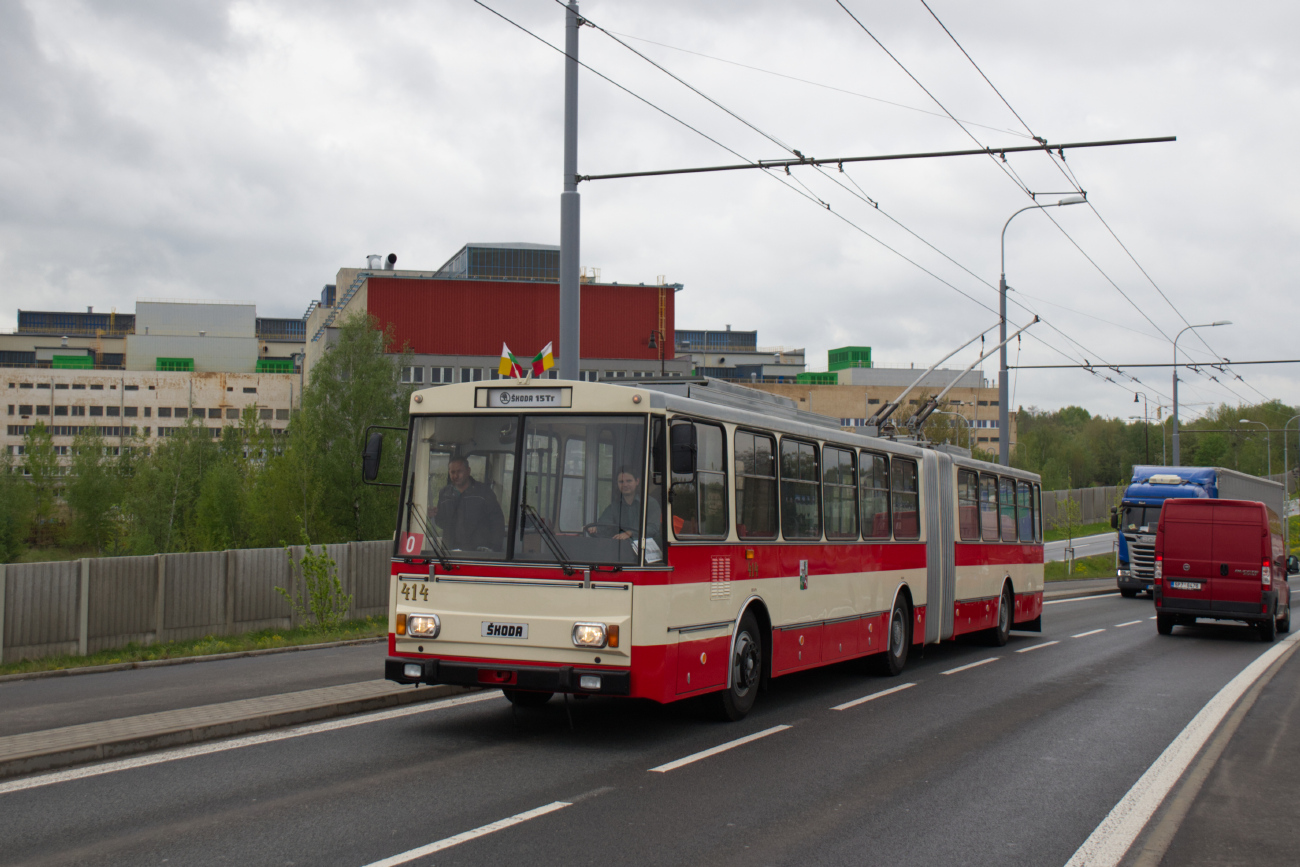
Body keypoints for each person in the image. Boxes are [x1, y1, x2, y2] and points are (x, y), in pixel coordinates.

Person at [434, 457, 504, 551]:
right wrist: (434, 515)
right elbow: (442, 522)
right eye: (452, 472)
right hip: (450, 552)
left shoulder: (484, 492)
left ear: (468, 471)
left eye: (459, 471)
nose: (456, 476)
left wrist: (493, 549)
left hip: (478, 552)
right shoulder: (445, 493)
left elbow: (497, 522)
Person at [591, 468, 662, 542]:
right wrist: (595, 528)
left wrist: (630, 533)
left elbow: (653, 528)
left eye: (629, 481)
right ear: (617, 484)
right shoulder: (614, 507)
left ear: (637, 481)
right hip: (623, 548)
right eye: (621, 481)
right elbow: (604, 524)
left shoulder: (650, 503)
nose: (625, 485)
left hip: (647, 549)